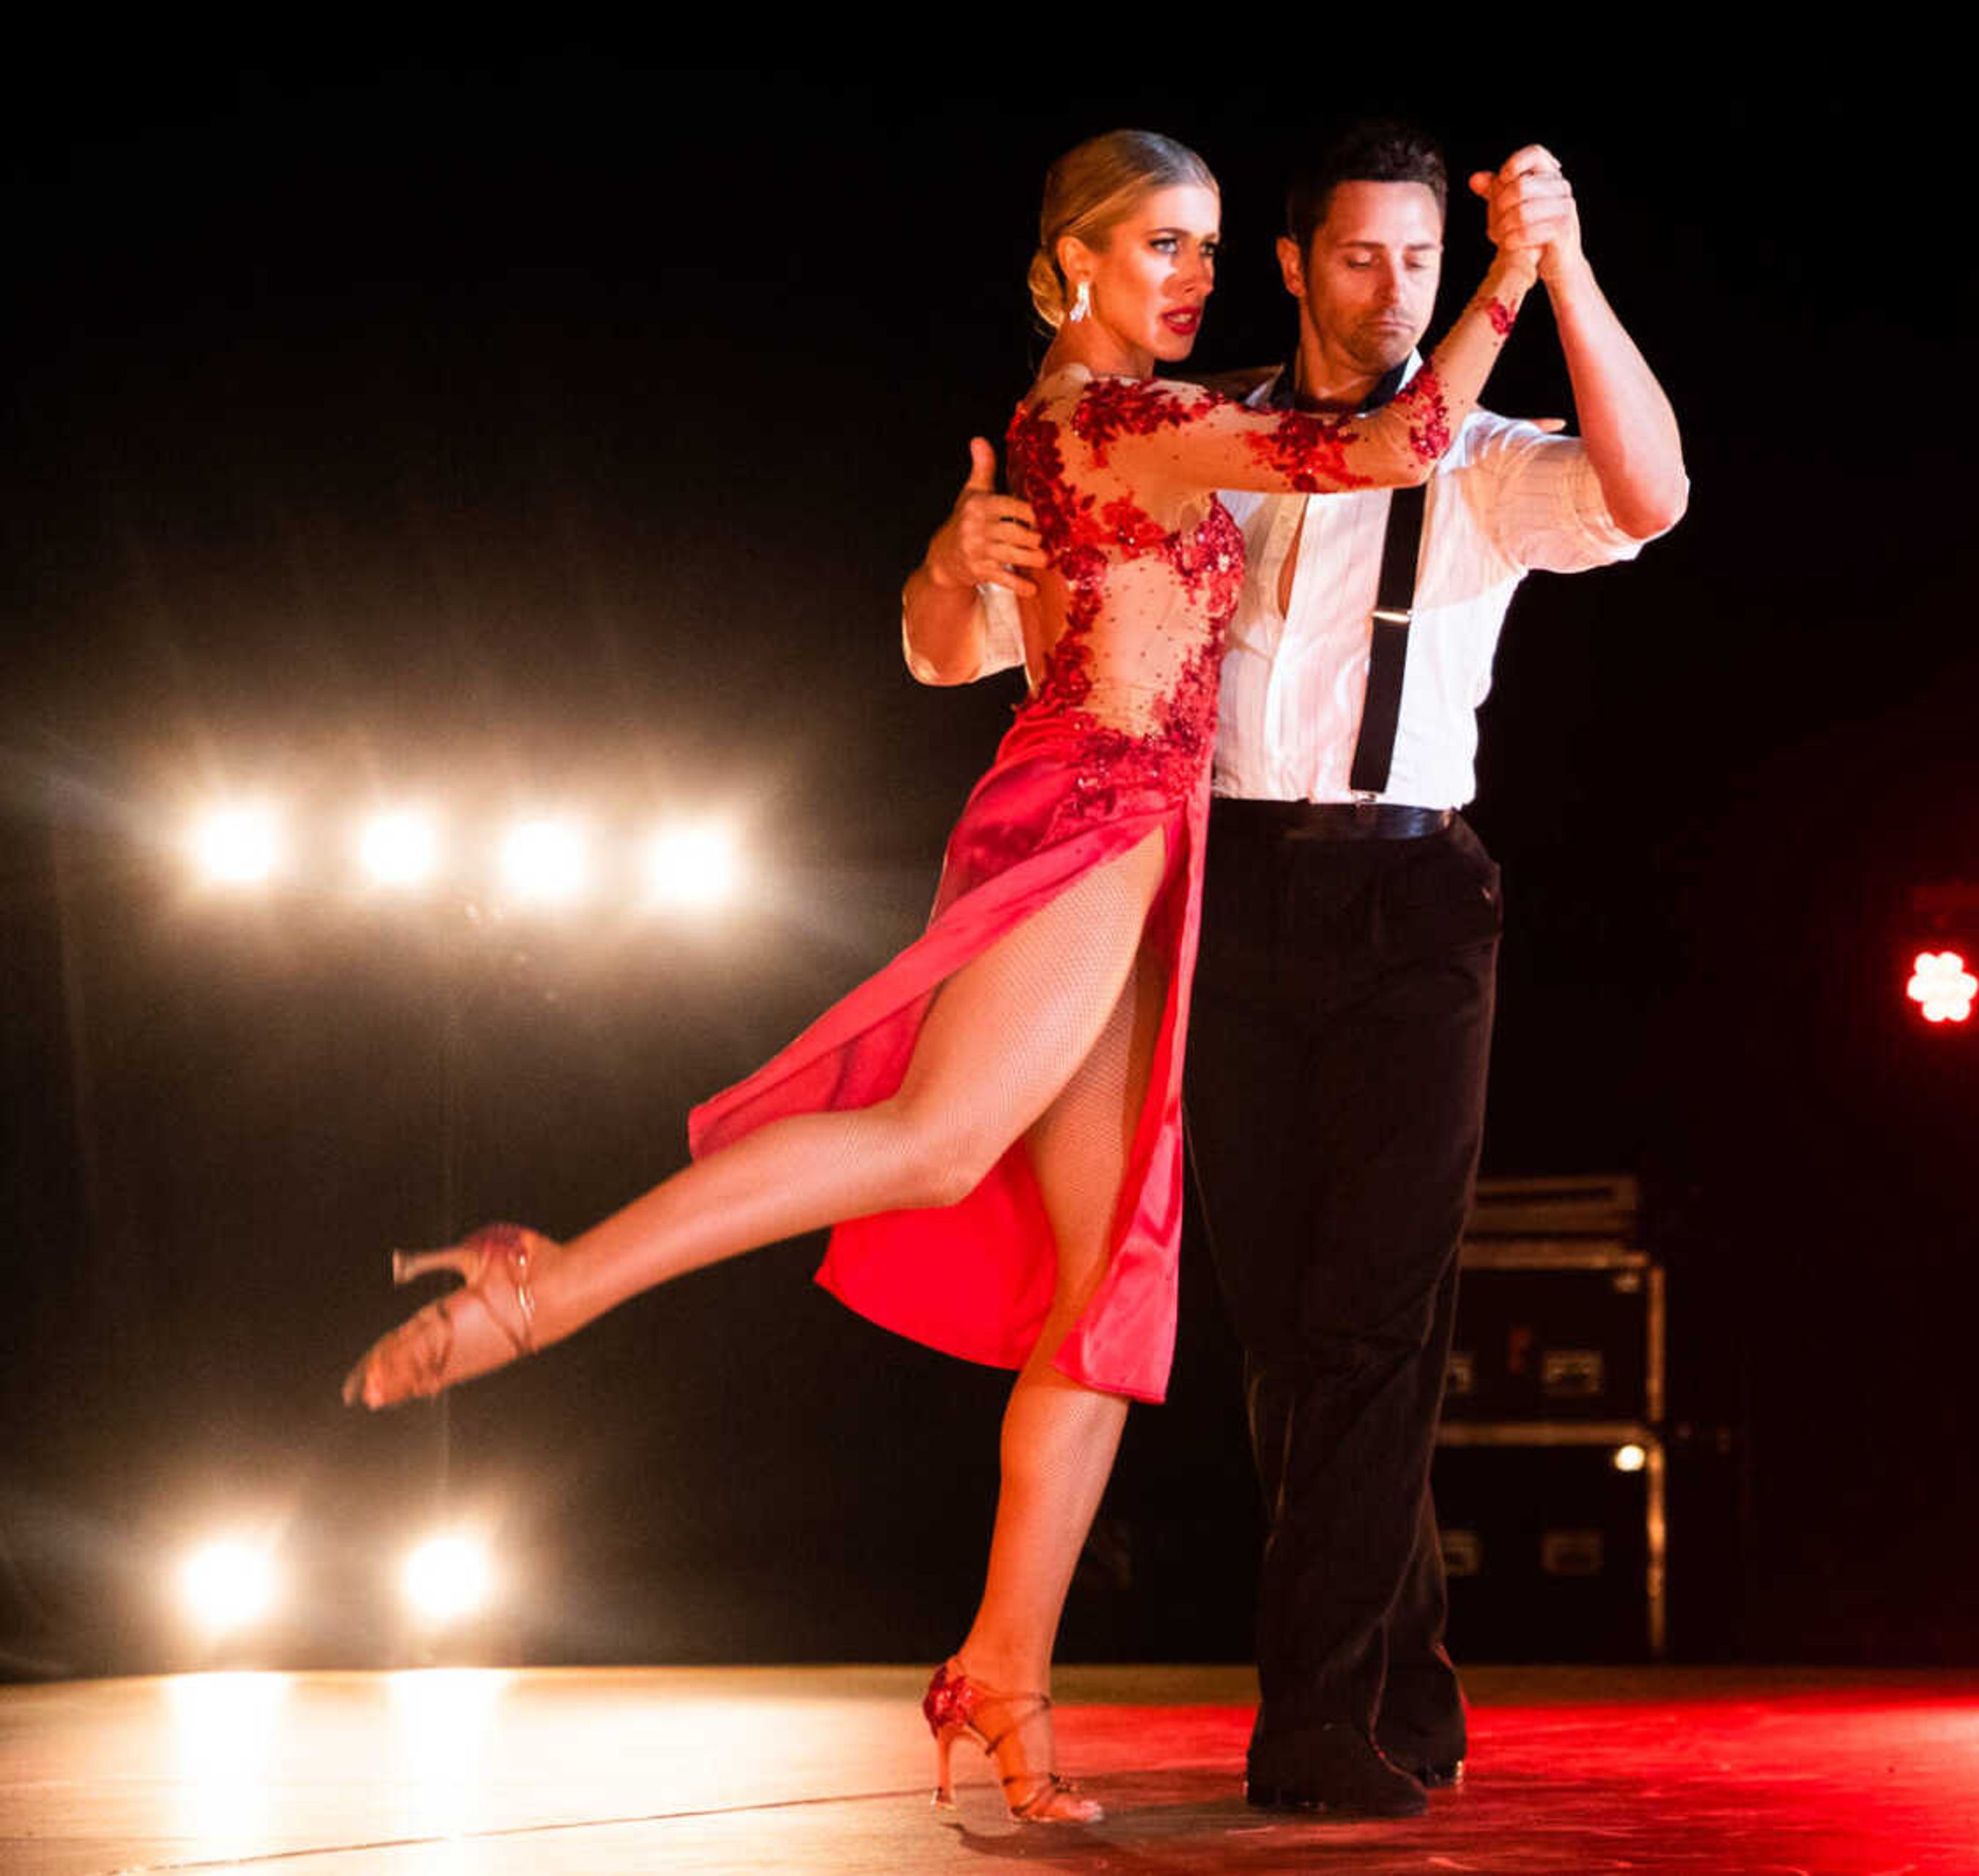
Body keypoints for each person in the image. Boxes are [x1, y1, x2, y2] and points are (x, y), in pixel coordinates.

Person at [339, 126, 1542, 1826]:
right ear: (1072, 265)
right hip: (1092, 819)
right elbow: (1404, 440)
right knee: (932, 1143)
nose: (1193, 278)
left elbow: (946, 631)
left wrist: (955, 563)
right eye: (1160, 249)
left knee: (1098, 1309)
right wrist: (1514, 268)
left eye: (1206, 249)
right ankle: (550, 1282)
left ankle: (1004, 1676)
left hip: (1149, 854)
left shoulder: (1069, 427)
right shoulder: (1120, 419)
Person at [921, 122, 1684, 1819]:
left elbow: (1653, 494)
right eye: (1359, 255)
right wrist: (950, 566)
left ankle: (1320, 1720)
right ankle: (1404, 1679)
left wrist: (1555, 269)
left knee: (1374, 1320)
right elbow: (960, 648)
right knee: (1286, 1328)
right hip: (1227, 891)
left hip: (1414, 906)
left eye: (1423, 259)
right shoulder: (1203, 439)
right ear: (1291, 262)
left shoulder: (1476, 452)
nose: (1393, 287)